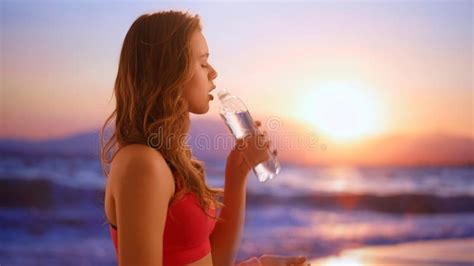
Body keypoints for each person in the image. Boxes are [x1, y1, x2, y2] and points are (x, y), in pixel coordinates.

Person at [101, 10, 309, 266]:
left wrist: (236, 175)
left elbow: (212, 260)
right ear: (169, 72)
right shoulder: (142, 164)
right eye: (202, 63)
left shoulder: (172, 161)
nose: (213, 72)